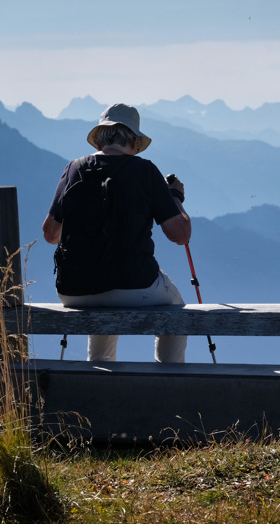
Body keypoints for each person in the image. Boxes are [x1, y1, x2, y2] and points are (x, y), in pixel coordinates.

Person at [42, 103, 191, 362]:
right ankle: (169, 384)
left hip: (75, 291)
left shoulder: (75, 169)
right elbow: (180, 235)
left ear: (99, 139)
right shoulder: (145, 171)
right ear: (134, 142)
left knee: (102, 299)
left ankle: (100, 382)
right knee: (176, 311)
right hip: (136, 284)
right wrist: (175, 197)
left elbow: (50, 235)